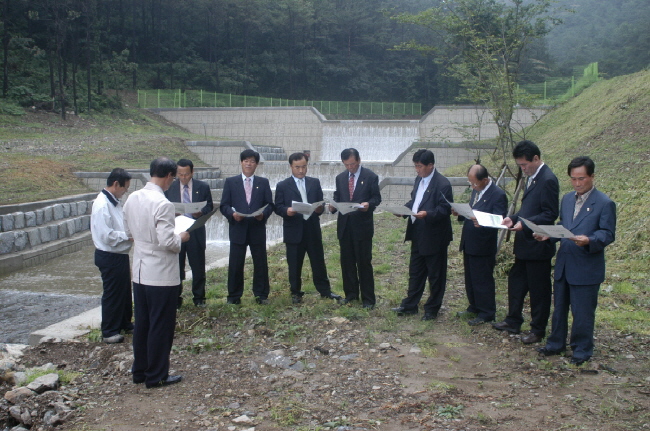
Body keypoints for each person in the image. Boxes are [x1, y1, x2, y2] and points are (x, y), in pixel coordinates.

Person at [535, 156, 616, 365]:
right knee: (559, 308)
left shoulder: (604, 203)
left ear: (592, 177)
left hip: (586, 266)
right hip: (565, 262)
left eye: (582, 179)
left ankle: (581, 349)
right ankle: (556, 343)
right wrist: (548, 235)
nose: (578, 183)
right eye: (573, 179)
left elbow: (607, 233)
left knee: (582, 312)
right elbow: (564, 225)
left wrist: (589, 239)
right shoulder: (568, 199)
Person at [123, 157, 190, 388]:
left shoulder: (133, 197)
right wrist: (180, 237)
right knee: (161, 325)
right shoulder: (163, 204)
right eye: (173, 177)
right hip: (160, 273)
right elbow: (167, 242)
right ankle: (157, 375)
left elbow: (128, 228)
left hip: (140, 269)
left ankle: (139, 370)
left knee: (142, 323)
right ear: (170, 176)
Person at [493, 140, 559, 344]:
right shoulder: (532, 178)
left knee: (539, 290)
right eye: (520, 165)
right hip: (524, 245)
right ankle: (513, 320)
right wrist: (514, 218)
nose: (522, 169)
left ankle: (537, 329)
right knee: (516, 282)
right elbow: (530, 209)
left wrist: (525, 224)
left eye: (524, 165)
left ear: (536, 159)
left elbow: (549, 213)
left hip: (538, 245)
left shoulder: (547, 179)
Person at [391, 149, 452, 321]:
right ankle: (410, 304)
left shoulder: (442, 184)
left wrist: (427, 214)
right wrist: (403, 210)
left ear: (430, 165)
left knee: (435, 274)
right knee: (416, 271)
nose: (417, 170)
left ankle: (432, 308)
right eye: (415, 166)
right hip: (417, 232)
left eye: (420, 166)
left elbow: (444, 209)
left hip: (434, 235)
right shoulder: (419, 180)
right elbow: (414, 202)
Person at [274, 152, 342, 304]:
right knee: (294, 264)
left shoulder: (314, 182)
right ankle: (296, 292)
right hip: (294, 229)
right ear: (291, 166)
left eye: (304, 167)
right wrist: (287, 211)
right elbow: (278, 207)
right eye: (297, 167)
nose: (301, 170)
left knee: (318, 262)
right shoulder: (283, 185)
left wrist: (319, 208)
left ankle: (325, 291)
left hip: (312, 228)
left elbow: (319, 202)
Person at [454, 164, 508, 326]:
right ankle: (474, 305)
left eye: (474, 183)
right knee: (470, 277)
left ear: (485, 180)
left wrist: (483, 222)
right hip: (469, 241)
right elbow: (472, 211)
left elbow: (499, 220)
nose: (472, 186)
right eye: (470, 183)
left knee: (482, 279)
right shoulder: (476, 191)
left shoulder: (497, 195)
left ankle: (487, 312)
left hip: (483, 244)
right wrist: (461, 213)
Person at [219, 149, 274, 305]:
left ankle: (261, 295)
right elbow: (224, 206)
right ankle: (234, 296)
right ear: (241, 162)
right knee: (236, 263)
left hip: (257, 228)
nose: (249, 164)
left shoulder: (263, 183)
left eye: (252, 161)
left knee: (260, 263)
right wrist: (232, 214)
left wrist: (263, 215)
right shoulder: (231, 182)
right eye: (246, 161)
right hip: (238, 228)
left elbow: (270, 204)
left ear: (256, 164)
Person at [330, 148, 381, 309]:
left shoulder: (370, 176)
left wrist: (368, 205)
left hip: (362, 226)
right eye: (347, 165)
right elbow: (338, 197)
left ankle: (368, 299)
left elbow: (376, 198)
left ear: (358, 160)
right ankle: (351, 294)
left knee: (364, 262)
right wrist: (333, 206)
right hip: (345, 226)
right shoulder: (340, 178)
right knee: (347, 262)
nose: (350, 167)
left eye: (352, 164)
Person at [90, 168, 133, 344]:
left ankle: (124, 322)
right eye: (125, 188)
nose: (125, 192)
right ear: (116, 184)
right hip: (109, 255)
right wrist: (128, 236)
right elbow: (105, 235)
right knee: (112, 293)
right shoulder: (101, 204)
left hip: (119, 254)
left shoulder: (114, 202)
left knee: (124, 291)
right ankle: (109, 330)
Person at [164, 159, 214, 307]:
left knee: (198, 266)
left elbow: (209, 206)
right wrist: (173, 213)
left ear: (192, 172)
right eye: (180, 174)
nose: (183, 178)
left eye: (186, 174)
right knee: (176, 266)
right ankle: (176, 298)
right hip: (177, 232)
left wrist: (201, 212)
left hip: (195, 231)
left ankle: (199, 298)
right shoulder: (170, 188)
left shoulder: (202, 187)